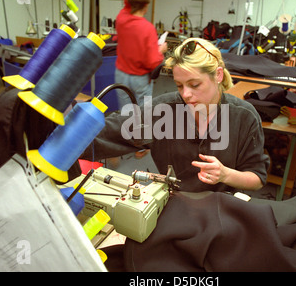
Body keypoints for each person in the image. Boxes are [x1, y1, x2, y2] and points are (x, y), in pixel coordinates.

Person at [84, 38, 269, 193]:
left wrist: (225, 174)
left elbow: (257, 178)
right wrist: (64, 134)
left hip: (223, 210)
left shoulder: (244, 117)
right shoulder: (163, 111)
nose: (186, 94)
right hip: (177, 204)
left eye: (195, 84)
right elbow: (108, 132)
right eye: (179, 85)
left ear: (218, 75)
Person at [114, 0, 167, 109]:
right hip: (140, 79)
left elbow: (127, 7)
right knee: (144, 112)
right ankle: (142, 129)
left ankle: (127, 129)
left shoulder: (121, 19)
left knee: (126, 112)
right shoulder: (147, 28)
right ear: (146, 6)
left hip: (121, 74)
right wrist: (161, 50)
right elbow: (152, 62)